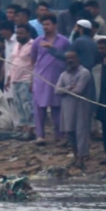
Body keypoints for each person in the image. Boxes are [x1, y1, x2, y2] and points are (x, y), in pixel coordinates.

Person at [31, 14, 70, 146]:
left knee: (57, 108)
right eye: (44, 25)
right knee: (39, 109)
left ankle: (59, 135)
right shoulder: (37, 41)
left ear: (55, 25)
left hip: (57, 79)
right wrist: (32, 79)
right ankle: (40, 136)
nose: (45, 27)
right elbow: (33, 60)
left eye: (48, 24)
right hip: (40, 79)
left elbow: (68, 57)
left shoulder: (64, 41)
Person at [56, 51, 93, 169]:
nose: (70, 60)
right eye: (67, 59)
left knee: (81, 131)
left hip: (81, 106)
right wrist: (68, 88)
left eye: (72, 58)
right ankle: (76, 156)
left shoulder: (84, 72)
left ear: (77, 58)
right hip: (67, 107)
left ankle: (82, 158)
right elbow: (56, 90)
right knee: (69, 132)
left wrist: (65, 90)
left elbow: (79, 90)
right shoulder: (63, 75)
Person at [7, 24, 36, 140]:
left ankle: (31, 129)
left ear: (28, 33)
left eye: (21, 33)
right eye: (17, 33)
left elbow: (35, 64)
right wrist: (9, 77)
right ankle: (24, 128)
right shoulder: (16, 45)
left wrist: (33, 81)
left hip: (26, 79)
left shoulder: (33, 45)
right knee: (18, 105)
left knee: (27, 105)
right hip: (15, 78)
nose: (18, 36)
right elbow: (13, 61)